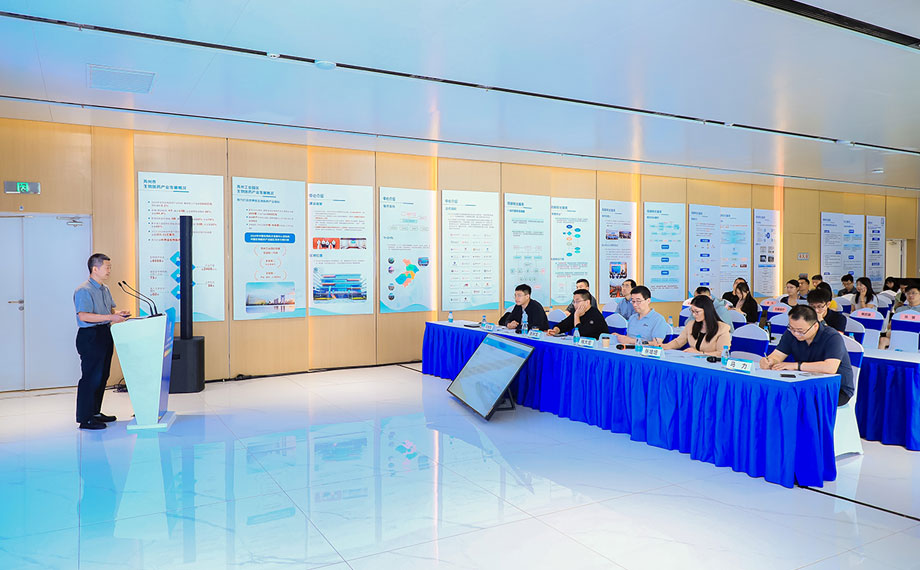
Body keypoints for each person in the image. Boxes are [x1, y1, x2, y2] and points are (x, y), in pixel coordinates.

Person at [73, 253, 130, 430]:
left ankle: (95, 412)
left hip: (105, 333)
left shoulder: (105, 289)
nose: (109, 270)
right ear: (95, 269)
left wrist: (119, 314)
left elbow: (109, 311)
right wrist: (111, 317)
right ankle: (85, 418)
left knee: (102, 375)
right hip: (90, 336)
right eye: (107, 267)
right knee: (91, 377)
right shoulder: (84, 290)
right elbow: (84, 316)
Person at [760, 305, 855, 406]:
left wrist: (796, 366)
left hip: (835, 389)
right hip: (806, 384)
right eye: (791, 328)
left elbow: (830, 368)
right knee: (775, 396)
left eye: (801, 331)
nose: (796, 334)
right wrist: (769, 361)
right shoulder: (791, 333)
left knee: (796, 402)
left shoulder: (832, 337)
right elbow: (777, 355)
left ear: (815, 326)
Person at [651, 295, 730, 357]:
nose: (694, 315)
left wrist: (700, 353)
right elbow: (678, 342)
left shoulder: (722, 328)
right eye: (692, 311)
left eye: (697, 312)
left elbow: (722, 353)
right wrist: (663, 346)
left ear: (707, 311)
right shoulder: (691, 325)